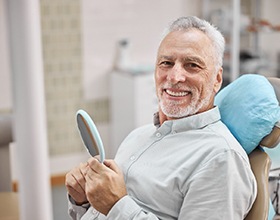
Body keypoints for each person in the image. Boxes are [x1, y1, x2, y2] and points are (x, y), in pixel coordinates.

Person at [65, 16, 257, 220]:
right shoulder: (137, 136)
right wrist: (83, 201)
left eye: (192, 65)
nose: (174, 77)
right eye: (166, 63)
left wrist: (117, 206)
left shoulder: (221, 158)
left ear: (217, 79)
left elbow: (115, 208)